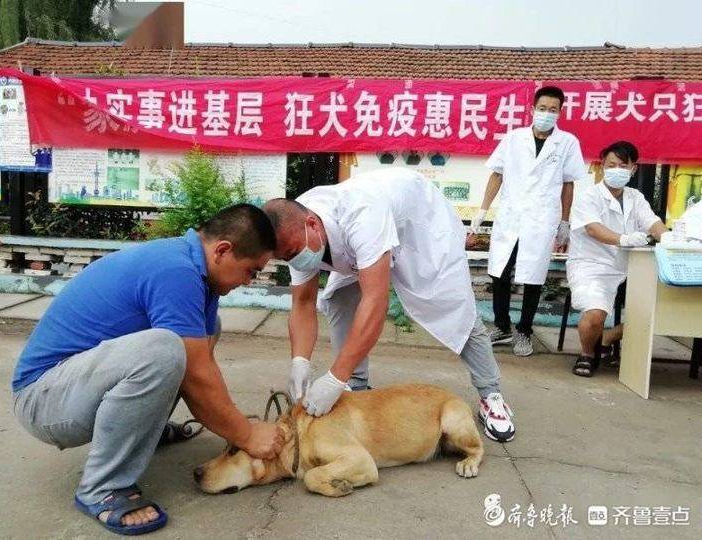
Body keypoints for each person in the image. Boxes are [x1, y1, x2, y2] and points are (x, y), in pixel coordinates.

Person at [11, 203, 284, 536]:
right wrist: (247, 435)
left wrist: (237, 423)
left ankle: (143, 431)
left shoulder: (198, 274)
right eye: (252, 271)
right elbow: (195, 376)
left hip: (74, 387)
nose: (249, 281)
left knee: (200, 334)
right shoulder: (176, 271)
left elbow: (202, 369)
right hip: (43, 400)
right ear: (223, 251)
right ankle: (102, 488)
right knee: (165, 349)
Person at [263, 168, 516, 443]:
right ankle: (357, 386)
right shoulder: (294, 231)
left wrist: (334, 378)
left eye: (293, 253)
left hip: (421, 227)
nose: (295, 260)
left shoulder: (360, 214)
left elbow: (375, 302)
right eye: (285, 257)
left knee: (454, 308)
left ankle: (490, 394)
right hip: (370, 233)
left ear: (312, 224)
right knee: (338, 297)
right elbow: (302, 302)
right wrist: (300, 361)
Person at [470, 86, 587, 356]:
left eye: (553, 110)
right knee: (499, 271)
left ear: (560, 112)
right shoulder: (514, 138)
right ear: (533, 109)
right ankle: (502, 326)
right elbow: (497, 174)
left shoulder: (567, 142)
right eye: (543, 108)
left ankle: (524, 331)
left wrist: (565, 221)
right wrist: (483, 210)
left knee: (534, 277)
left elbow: (568, 184)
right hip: (511, 215)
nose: (547, 114)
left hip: (541, 219)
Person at [567, 141, 667, 376]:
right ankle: (588, 354)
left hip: (632, 266)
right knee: (594, 315)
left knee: (662, 307)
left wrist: (670, 239)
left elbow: (652, 223)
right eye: (611, 165)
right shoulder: (588, 196)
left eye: (623, 166)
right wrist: (624, 239)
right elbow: (593, 229)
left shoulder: (636, 197)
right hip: (592, 265)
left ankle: (609, 338)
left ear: (633, 169)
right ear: (602, 166)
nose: (616, 170)